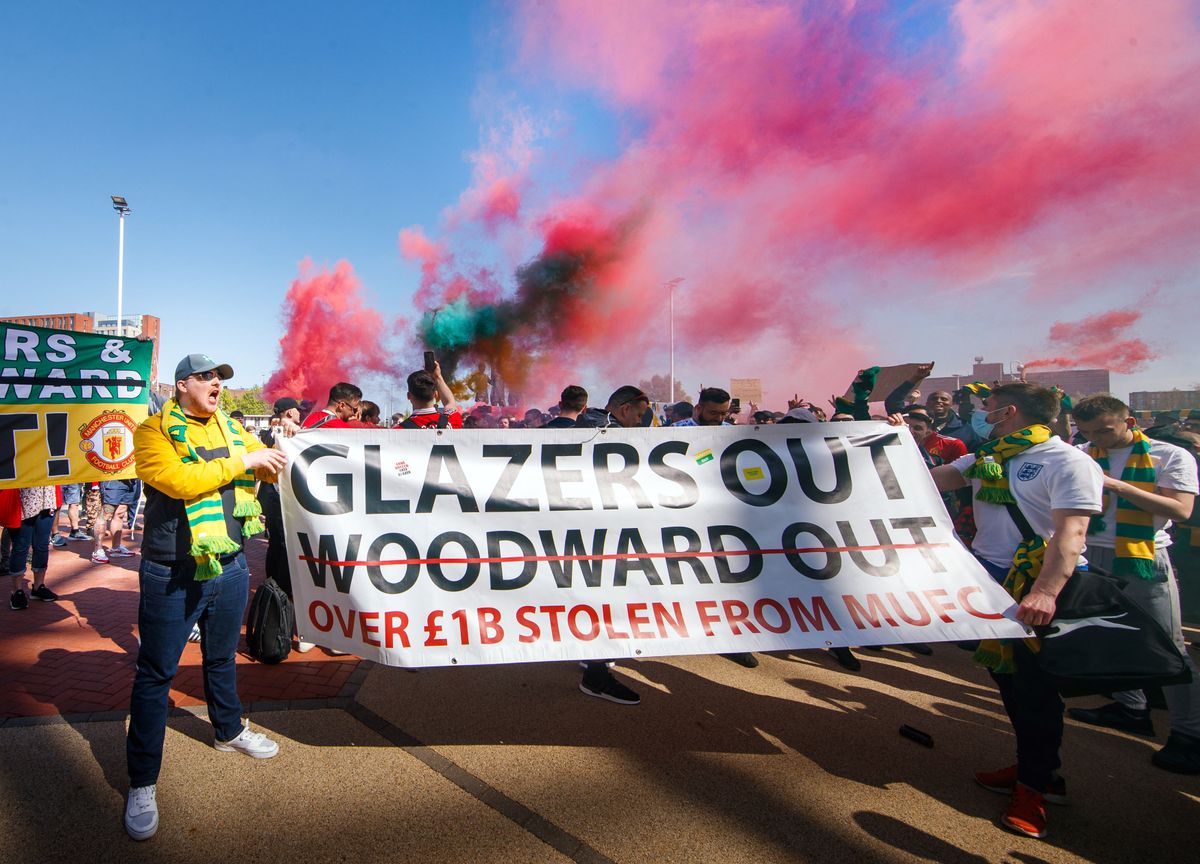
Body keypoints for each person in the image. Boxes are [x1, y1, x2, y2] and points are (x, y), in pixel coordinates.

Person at [123, 353, 291, 841]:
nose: (217, 384)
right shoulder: (152, 432)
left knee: (221, 658)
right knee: (157, 673)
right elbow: (178, 480)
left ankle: (228, 730)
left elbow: (264, 472)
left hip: (232, 563)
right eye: (207, 377)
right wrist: (245, 460)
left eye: (221, 378)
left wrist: (283, 452)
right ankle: (141, 781)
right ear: (181, 385)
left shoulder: (231, 429)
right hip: (172, 570)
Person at [929, 382, 1101, 840]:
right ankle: (1036, 768)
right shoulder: (993, 455)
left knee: (1035, 689)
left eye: (987, 408)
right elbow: (936, 478)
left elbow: (1071, 534)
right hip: (992, 580)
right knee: (1010, 682)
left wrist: (1044, 592)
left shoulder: (1068, 462)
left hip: (1037, 586)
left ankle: (1036, 788)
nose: (981, 414)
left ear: (1008, 411)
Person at [1066, 395, 1199, 773]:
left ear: (1129, 420)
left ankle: (1190, 734)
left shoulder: (1169, 456)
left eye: (1104, 430)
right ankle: (1131, 707)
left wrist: (1115, 485)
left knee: (1168, 648)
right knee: (1110, 635)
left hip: (1143, 558)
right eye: (1088, 432)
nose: (1097, 439)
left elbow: (1181, 510)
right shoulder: (1081, 452)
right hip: (1091, 554)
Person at [573, 385, 653, 705]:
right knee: (607, 597)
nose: (641, 420)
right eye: (639, 414)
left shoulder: (586, 426)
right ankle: (596, 674)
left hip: (587, 531)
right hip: (602, 533)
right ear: (624, 409)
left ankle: (591, 656)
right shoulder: (610, 436)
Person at [8, 485, 61, 609]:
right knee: (20, 546)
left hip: (47, 497)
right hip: (23, 498)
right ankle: (17, 591)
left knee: (42, 545)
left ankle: (38, 586)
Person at [91, 479, 139, 563]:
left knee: (120, 512)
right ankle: (97, 550)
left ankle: (116, 548)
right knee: (107, 512)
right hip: (114, 477)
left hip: (131, 479)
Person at [401, 362, 462, 429]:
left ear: (409, 396)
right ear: (436, 394)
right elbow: (450, 403)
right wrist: (438, 376)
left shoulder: (399, 430)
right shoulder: (451, 421)